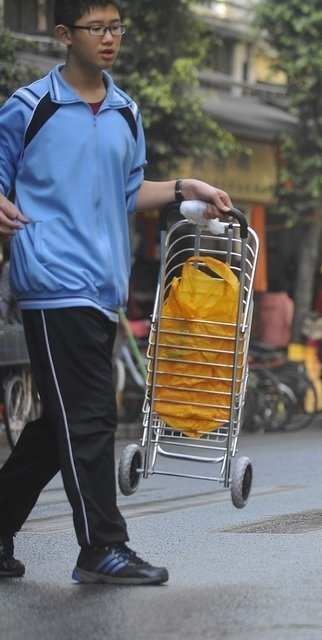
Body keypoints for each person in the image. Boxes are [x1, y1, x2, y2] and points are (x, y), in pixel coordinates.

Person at [0, 0, 233, 585]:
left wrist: (184, 189)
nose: (109, 39)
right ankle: (102, 547)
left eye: (115, 28)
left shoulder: (127, 110)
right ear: (63, 35)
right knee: (92, 416)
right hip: (53, 282)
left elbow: (128, 192)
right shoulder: (29, 108)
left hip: (104, 287)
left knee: (60, 423)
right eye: (96, 28)